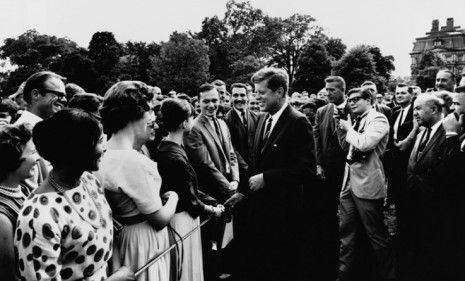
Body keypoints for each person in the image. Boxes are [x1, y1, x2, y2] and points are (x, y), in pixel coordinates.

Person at [15, 108, 135, 281]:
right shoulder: (38, 216)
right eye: (100, 142)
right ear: (79, 149)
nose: (105, 148)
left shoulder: (89, 181)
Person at [97, 81, 178, 281]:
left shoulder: (102, 152)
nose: (153, 117)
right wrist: (174, 198)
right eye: (150, 110)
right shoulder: (136, 161)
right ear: (136, 114)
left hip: (121, 239)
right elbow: (159, 220)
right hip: (143, 240)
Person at [244, 67, 315, 281]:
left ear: (280, 92)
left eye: (261, 93)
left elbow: (307, 170)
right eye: (255, 93)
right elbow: (257, 163)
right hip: (262, 214)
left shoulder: (298, 122)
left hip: (284, 216)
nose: (256, 98)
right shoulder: (264, 120)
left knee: (282, 268)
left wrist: (267, 178)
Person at [157, 98, 225, 281]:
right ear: (184, 123)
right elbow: (189, 200)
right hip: (182, 220)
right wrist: (213, 209)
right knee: (186, 268)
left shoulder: (167, 146)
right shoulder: (174, 156)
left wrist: (209, 199)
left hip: (179, 216)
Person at [403, 94, 465, 281]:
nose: (414, 113)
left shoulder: (448, 134)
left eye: (419, 108)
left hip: (436, 208)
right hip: (416, 204)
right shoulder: (422, 132)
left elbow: (450, 172)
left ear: (435, 110)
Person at [336, 88, 394, 281]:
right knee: (347, 232)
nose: (351, 103)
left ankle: (388, 275)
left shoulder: (378, 119)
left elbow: (365, 143)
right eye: (349, 100)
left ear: (369, 100)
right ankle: (344, 273)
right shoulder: (356, 120)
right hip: (349, 183)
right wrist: (342, 127)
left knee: (376, 234)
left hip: (367, 183)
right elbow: (347, 148)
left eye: (356, 100)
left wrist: (348, 128)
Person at [184, 83, 239, 281]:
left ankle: (225, 267)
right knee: (210, 238)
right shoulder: (194, 128)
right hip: (210, 191)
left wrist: (236, 179)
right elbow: (204, 164)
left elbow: (231, 154)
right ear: (198, 102)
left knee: (228, 235)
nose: (211, 105)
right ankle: (212, 272)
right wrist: (228, 188)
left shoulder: (223, 123)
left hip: (228, 186)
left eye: (214, 100)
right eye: (206, 101)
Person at [14, 71, 67, 188]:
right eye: (58, 94)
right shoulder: (19, 135)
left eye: (65, 96)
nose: (64, 100)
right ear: (36, 94)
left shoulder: (49, 131)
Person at [0, 124, 38, 281]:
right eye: (32, 152)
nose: (38, 158)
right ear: (13, 160)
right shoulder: (2, 217)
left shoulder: (24, 189)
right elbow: (8, 276)